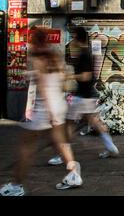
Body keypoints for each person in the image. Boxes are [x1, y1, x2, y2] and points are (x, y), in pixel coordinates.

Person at [0, 28, 82, 196]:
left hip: (44, 110)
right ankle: (73, 174)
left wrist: (50, 112)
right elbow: (62, 81)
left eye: (31, 40)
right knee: (61, 143)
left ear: (36, 42)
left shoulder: (38, 59)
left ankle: (16, 186)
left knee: (26, 148)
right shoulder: (55, 57)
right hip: (58, 105)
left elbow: (43, 87)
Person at [47, 26, 119, 166]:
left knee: (69, 124)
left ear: (76, 37)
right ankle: (111, 147)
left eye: (73, 36)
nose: (71, 40)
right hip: (89, 95)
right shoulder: (87, 52)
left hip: (82, 96)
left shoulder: (84, 54)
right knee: (95, 121)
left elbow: (86, 76)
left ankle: (62, 155)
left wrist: (69, 76)